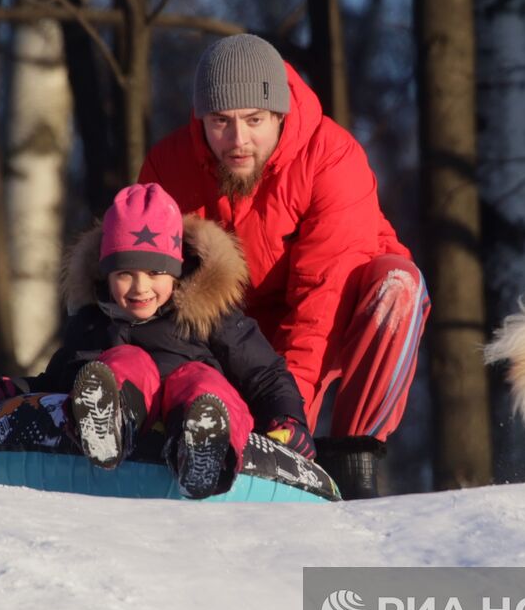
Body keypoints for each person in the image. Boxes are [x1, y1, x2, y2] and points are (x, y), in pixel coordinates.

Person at [138, 34, 427, 498]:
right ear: (201, 119)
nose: (237, 139)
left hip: (336, 312)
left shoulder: (332, 157)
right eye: (220, 122)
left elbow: (323, 295)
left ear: (279, 113)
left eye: (254, 120)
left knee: (399, 285)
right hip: (237, 323)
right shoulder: (168, 166)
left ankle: (352, 457)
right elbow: (152, 283)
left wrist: (292, 422)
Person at [0, 183, 314, 499]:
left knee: (201, 381)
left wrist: (288, 420)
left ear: (177, 270)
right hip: (127, 404)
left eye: (156, 273)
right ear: (105, 274)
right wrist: (7, 394)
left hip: (191, 401)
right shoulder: (91, 324)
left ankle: (204, 444)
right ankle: (109, 420)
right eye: (125, 273)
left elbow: (265, 374)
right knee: (122, 362)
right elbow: (55, 381)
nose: (140, 287)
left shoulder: (209, 315)